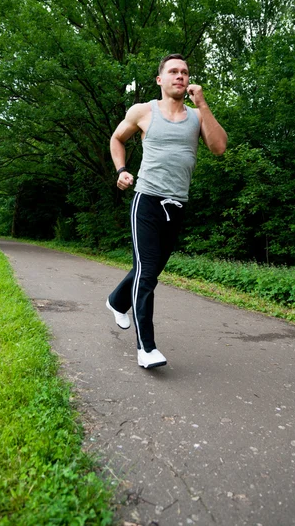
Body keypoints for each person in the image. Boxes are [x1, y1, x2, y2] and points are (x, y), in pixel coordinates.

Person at [106, 54, 227, 368]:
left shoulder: (197, 116)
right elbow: (117, 138)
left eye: (185, 72)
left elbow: (219, 147)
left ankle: (117, 301)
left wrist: (203, 105)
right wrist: (121, 170)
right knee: (146, 275)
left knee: (150, 271)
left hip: (177, 206)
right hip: (146, 201)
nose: (180, 76)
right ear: (160, 79)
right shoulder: (143, 112)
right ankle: (146, 348)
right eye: (173, 71)